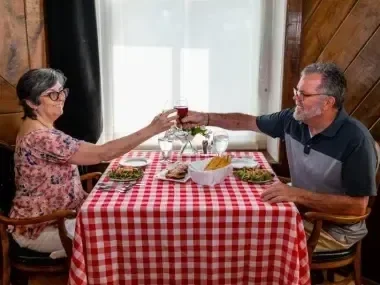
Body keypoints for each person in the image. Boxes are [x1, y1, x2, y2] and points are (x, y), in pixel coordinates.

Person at [181, 62, 378, 252]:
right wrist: (206, 118)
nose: (296, 99)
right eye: (297, 91)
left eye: (304, 94)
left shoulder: (356, 140)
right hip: (298, 210)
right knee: (235, 226)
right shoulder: (292, 119)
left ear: (328, 102)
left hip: (332, 230)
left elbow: (357, 207)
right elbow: (247, 122)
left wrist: (297, 194)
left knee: (248, 241)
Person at [9, 68, 177, 256]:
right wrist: (152, 130)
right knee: (124, 237)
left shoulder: (38, 128)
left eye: (62, 91)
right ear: (32, 102)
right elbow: (103, 154)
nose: (61, 98)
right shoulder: (42, 137)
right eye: (52, 94)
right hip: (40, 229)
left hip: (59, 217)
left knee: (125, 219)